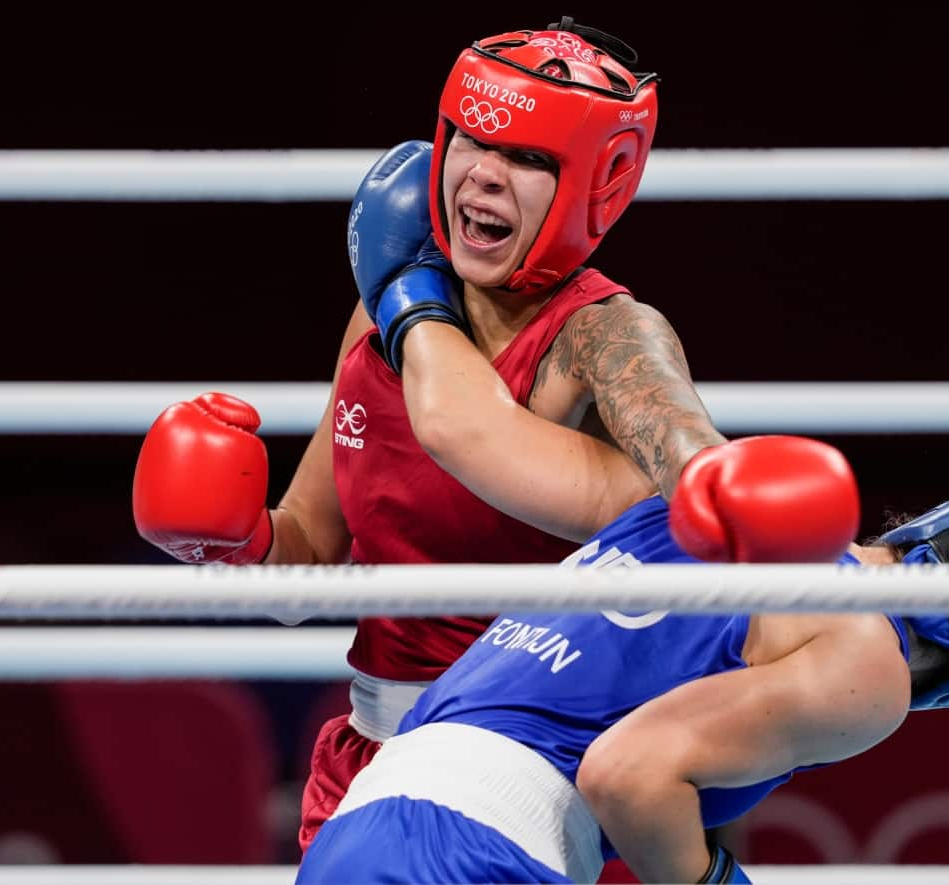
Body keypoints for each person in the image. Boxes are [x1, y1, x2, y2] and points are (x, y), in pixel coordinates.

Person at [132, 17, 838, 859]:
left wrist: (724, 485)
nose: (486, 176)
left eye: (531, 159)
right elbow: (313, 553)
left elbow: (680, 437)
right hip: (369, 756)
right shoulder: (379, 312)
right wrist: (237, 542)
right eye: (473, 140)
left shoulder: (602, 336)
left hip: (538, 776)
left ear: (596, 184)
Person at [297, 476, 949, 883]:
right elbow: (628, 773)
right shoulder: (870, 657)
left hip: (360, 828)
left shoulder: (704, 497)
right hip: (479, 851)